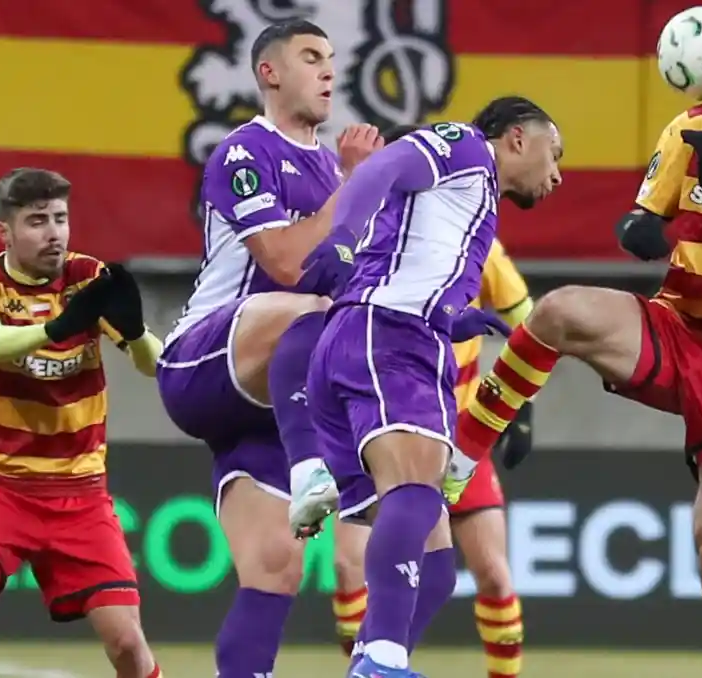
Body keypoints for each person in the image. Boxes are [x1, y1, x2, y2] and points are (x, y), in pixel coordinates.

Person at [448, 8, 702, 677]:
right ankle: (464, 456)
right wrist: (640, 230)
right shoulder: (697, 126)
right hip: (678, 328)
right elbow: (646, 218)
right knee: (559, 310)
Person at [153, 19, 380, 678]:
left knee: (276, 567)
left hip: (277, 399)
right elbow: (283, 262)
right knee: (316, 315)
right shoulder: (244, 151)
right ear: (269, 72)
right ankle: (314, 467)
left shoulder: (331, 168)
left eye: (332, 58)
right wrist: (355, 186)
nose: (329, 70)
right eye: (311, 57)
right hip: (206, 360)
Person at [306, 97, 562, 678]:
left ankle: (369, 661)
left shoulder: (471, 201)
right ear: (517, 138)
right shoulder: (467, 147)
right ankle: (382, 663)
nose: (558, 174)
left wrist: (451, 316)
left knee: (439, 566)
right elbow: (384, 163)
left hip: (376, 339)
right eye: (555, 153)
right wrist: (342, 235)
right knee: (417, 495)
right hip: (390, 340)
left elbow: (403, 254)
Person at [0, 168, 165, 678]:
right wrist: (56, 328)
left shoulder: (87, 277)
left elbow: (153, 365)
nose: (54, 232)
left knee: (127, 643)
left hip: (80, 491)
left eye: (60, 218)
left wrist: (136, 332)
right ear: (4, 231)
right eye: (37, 221)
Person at [328, 237, 536, 678]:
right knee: (349, 568)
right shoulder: (375, 239)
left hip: (459, 433)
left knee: (493, 574)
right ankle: (366, 667)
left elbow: (526, 321)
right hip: (386, 418)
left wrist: (522, 404)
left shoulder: (481, 246)